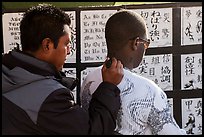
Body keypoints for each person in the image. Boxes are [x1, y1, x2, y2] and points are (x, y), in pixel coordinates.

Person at [2, 3, 124, 135]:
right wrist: (109, 86)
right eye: (66, 44)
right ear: (47, 45)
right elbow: (91, 131)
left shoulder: (7, 70)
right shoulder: (49, 97)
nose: (69, 51)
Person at [80, 10, 187, 135]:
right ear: (136, 43)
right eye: (146, 43)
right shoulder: (149, 91)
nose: (145, 49)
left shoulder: (89, 79)